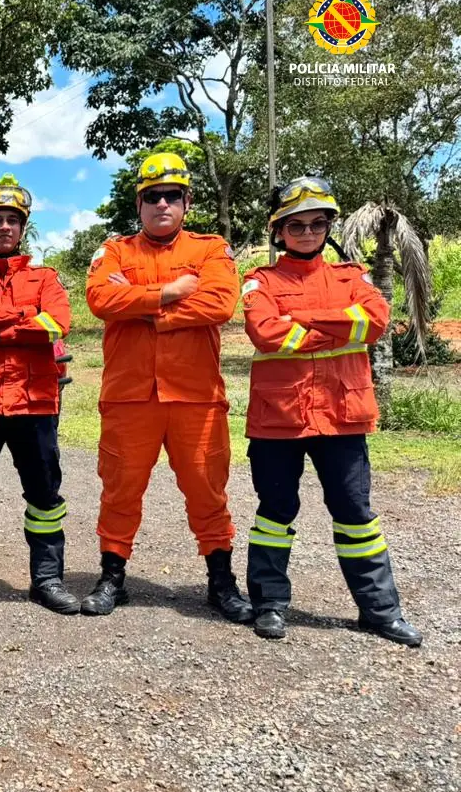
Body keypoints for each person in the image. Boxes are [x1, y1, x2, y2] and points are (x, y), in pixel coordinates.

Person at [240, 178, 420, 646]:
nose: (306, 232)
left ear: (327, 227)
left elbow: (376, 322)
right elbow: (265, 332)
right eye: (295, 224)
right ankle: (270, 605)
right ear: (278, 230)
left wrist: (301, 319)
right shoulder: (260, 280)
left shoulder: (352, 277)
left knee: (356, 514)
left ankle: (381, 612)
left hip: (342, 415)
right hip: (279, 417)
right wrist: (340, 325)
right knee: (275, 513)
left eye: (316, 223)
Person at [83, 153, 252, 622]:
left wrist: (147, 313)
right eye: (152, 196)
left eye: (171, 195)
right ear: (139, 204)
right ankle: (111, 578)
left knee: (207, 490)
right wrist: (174, 291)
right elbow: (100, 298)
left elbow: (219, 303)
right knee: (120, 489)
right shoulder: (114, 251)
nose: (162, 203)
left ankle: (222, 581)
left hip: (195, 397)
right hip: (129, 397)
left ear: (186, 201)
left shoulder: (211, 249)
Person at [0, 174, 77, 613]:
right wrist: (28, 319)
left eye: (13, 221)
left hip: (35, 403)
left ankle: (47, 581)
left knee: (44, 496)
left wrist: (6, 322)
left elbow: (58, 323)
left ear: (24, 229)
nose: (5, 227)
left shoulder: (47, 277)